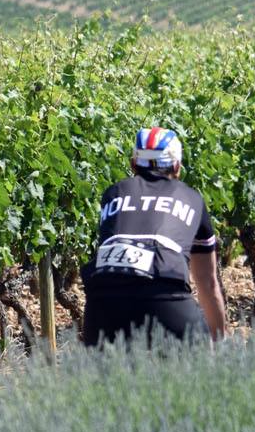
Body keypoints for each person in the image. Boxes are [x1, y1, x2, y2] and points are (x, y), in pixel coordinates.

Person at [81, 127, 230, 346]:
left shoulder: (113, 194)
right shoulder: (192, 198)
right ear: (177, 167)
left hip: (102, 304)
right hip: (167, 298)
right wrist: (221, 342)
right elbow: (207, 282)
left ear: (133, 164)